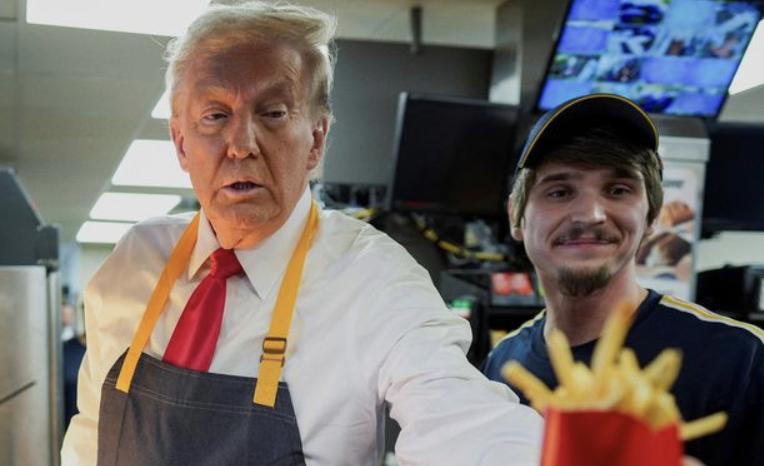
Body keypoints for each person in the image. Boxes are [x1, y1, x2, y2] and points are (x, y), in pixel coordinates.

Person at [61, 2, 542, 465]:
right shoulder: (135, 258)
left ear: (316, 139)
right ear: (181, 143)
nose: (241, 145)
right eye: (215, 115)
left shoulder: (373, 279)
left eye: (272, 113)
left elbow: (466, 424)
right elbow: (90, 434)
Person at [483, 93, 764, 466]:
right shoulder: (502, 364)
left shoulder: (741, 358)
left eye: (618, 190)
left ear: (651, 218)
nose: (592, 213)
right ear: (516, 218)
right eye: (560, 191)